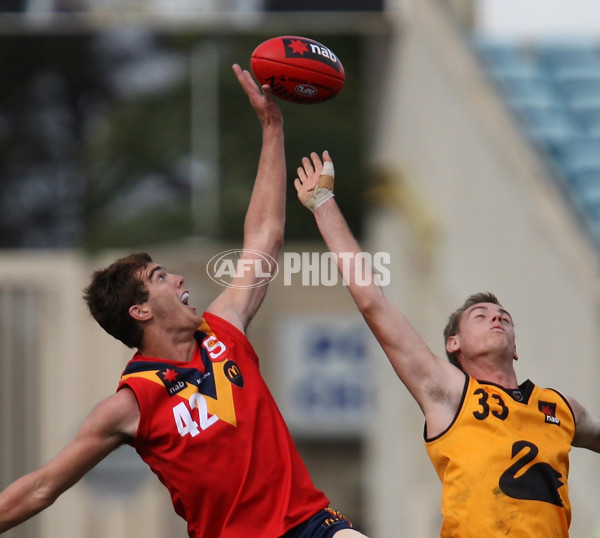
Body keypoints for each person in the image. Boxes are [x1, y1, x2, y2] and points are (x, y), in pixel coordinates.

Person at [0, 69, 368, 538]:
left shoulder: (223, 330)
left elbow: (263, 237)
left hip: (311, 524)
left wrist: (273, 129)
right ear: (140, 311)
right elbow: (42, 488)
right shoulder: (130, 404)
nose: (177, 278)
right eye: (159, 278)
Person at [294, 150, 600, 537]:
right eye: (481, 315)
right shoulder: (448, 393)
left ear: (516, 348)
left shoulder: (560, 408)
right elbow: (372, 302)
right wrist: (323, 204)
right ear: (454, 344)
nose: (497, 316)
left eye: (503, 314)